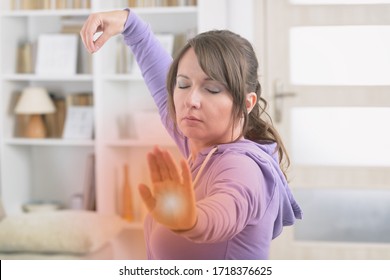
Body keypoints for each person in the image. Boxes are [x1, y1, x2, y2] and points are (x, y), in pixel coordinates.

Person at [80, 8, 302, 260]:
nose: (191, 100)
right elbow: (164, 88)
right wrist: (130, 26)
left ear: (247, 103)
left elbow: (225, 209)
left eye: (212, 89)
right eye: (183, 84)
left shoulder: (241, 166)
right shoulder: (202, 145)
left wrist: (192, 221)